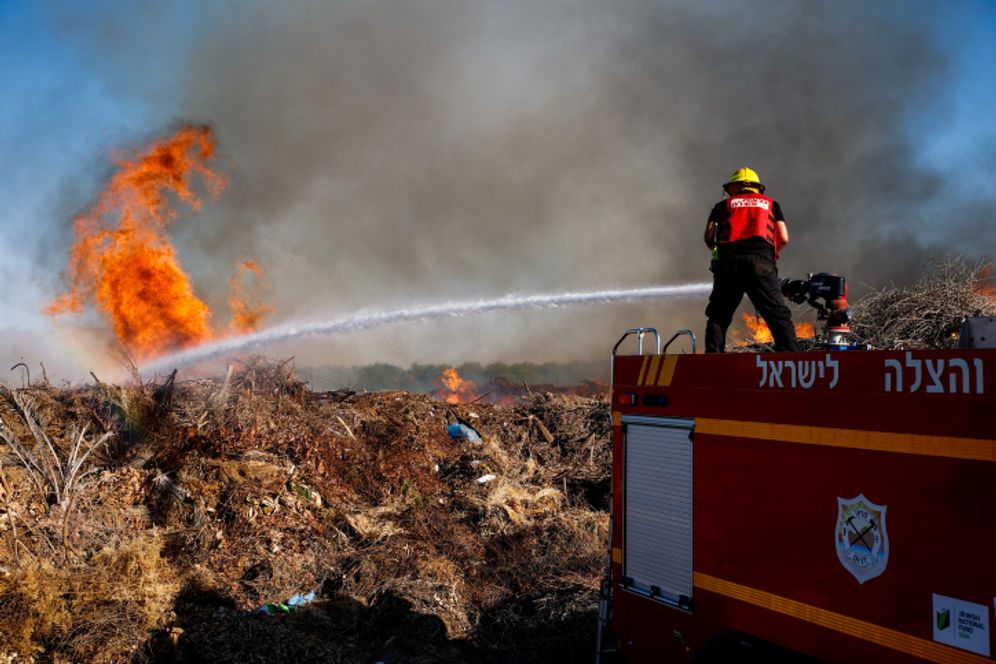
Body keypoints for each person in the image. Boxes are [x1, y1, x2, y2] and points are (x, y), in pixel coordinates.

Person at [703, 167, 799, 353]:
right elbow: (784, 238)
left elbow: (709, 237)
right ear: (757, 188)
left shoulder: (722, 206)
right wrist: (769, 256)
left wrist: (720, 254)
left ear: (734, 187)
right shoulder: (772, 204)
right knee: (777, 314)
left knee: (719, 316)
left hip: (728, 264)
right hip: (761, 262)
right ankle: (793, 361)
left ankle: (712, 363)